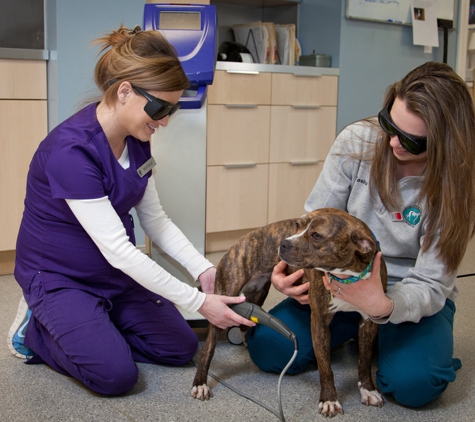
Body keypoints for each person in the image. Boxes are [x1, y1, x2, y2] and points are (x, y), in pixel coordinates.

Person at [7, 25, 254, 396]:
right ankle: (36, 328)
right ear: (124, 91)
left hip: (111, 275)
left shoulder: (137, 141)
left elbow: (155, 220)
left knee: (180, 348)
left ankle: (93, 330)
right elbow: (120, 250)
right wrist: (198, 302)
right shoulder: (70, 153)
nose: (165, 120)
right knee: (115, 376)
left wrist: (202, 268)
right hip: (60, 277)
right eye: (159, 108)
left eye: (172, 109)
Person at [245, 61, 475, 407]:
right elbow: (314, 222)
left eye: (412, 141)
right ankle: (360, 332)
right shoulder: (358, 142)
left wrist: (383, 306)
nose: (394, 142)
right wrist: (294, 277)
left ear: (445, 143)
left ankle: (389, 336)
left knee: (415, 384)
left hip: (404, 291)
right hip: (336, 282)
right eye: (388, 124)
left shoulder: (456, 184)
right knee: (268, 348)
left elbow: (432, 282)